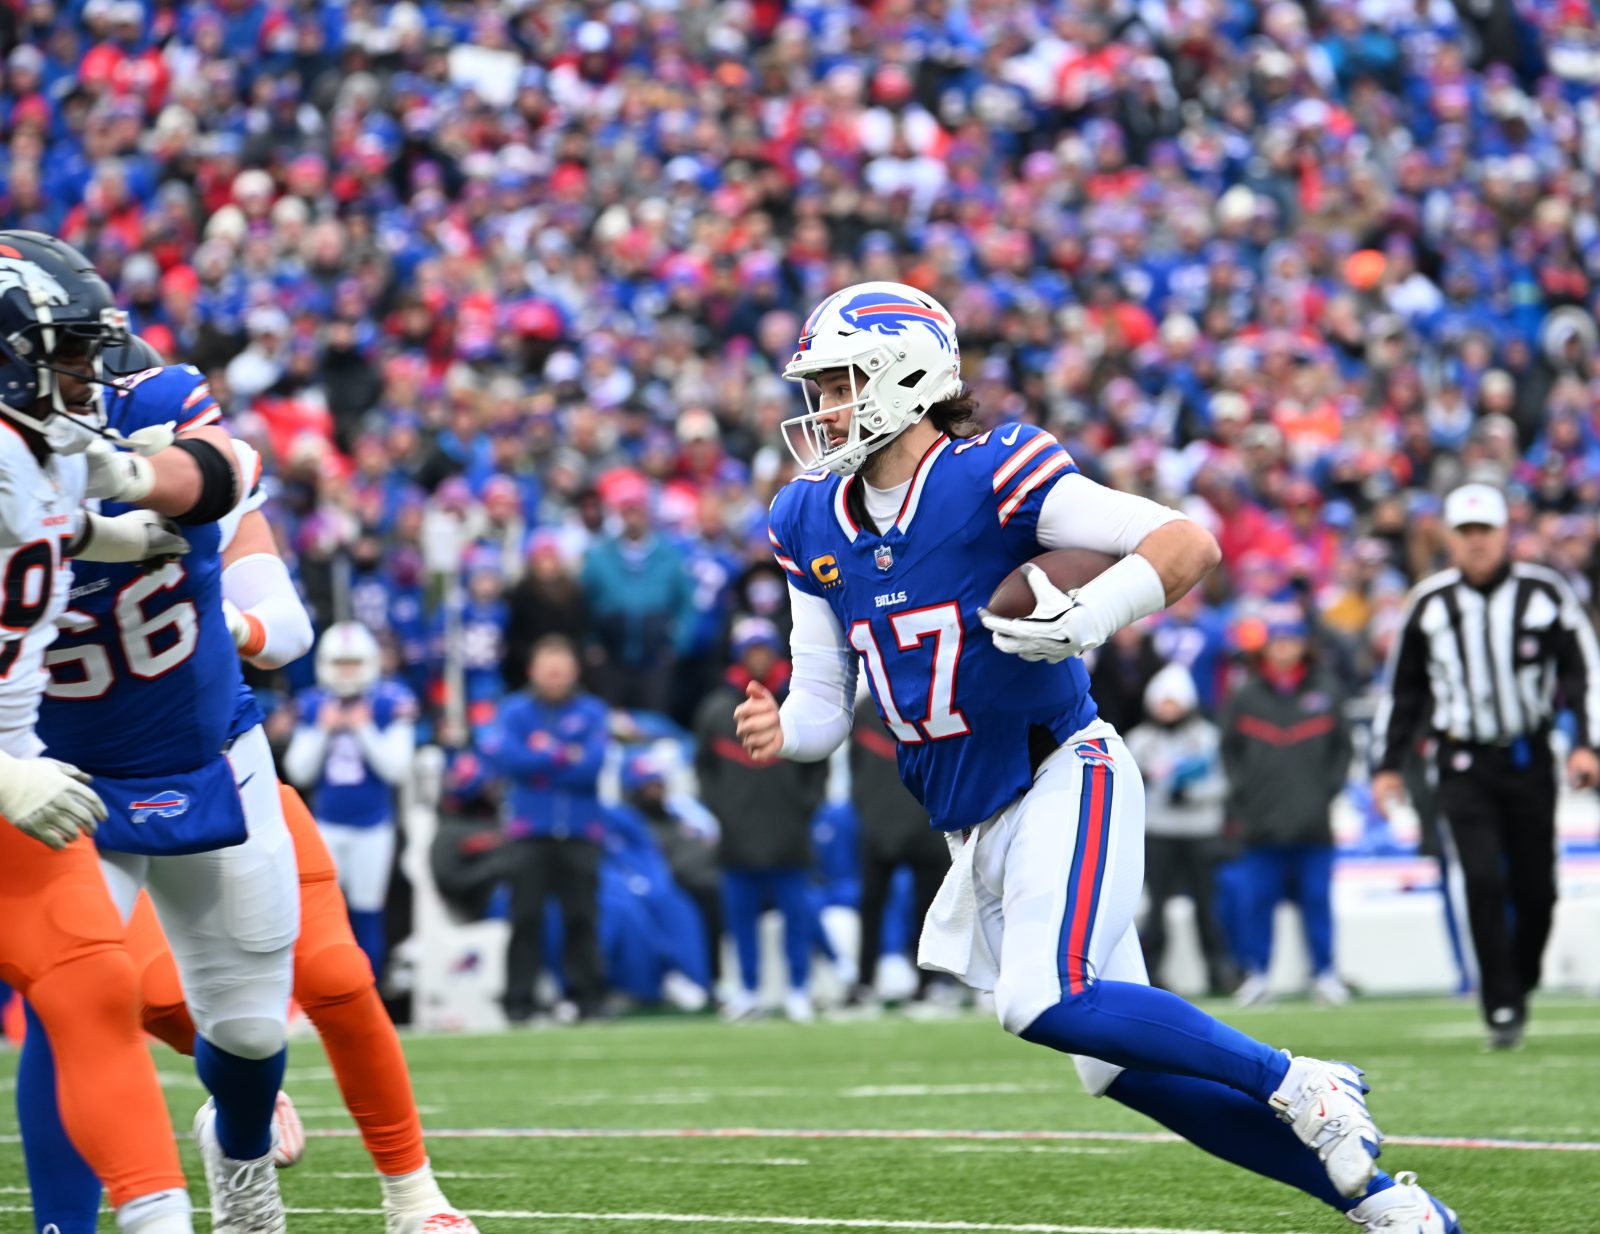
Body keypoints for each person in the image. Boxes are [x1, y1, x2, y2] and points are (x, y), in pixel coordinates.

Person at [735, 281, 1462, 1233]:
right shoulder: (808, 518)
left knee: (1045, 999)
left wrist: (1088, 615)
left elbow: (1184, 542)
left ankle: (1300, 1079)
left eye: (839, 383)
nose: (823, 409)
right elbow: (826, 701)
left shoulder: (989, 470)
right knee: (1116, 1068)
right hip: (973, 815)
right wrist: (784, 731)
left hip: (1060, 772)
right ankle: (1384, 1204)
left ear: (906, 375)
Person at [30, 338, 479, 1234]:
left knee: (256, 1027)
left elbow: (274, 604)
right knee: (74, 996)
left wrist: (199, 592)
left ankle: (253, 1178)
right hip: (56, 770)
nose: (87, 380)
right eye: (67, 358)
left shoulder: (161, 420)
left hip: (206, 752)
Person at [0, 231, 205, 1234]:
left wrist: (115, 534)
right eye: (68, 351)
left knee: (93, 990)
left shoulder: (36, 447)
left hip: (19, 801)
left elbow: (49, 527)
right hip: (11, 785)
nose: (88, 374)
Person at [1372, 481, 1600, 1050]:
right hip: (1461, 759)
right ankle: (1499, 1002)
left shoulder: (1545, 593)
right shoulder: (1429, 603)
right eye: (1466, 532)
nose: (1476, 543)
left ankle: (1518, 980)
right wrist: (1388, 764)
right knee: (1480, 877)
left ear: (1505, 534)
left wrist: (1587, 744)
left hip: (1527, 756)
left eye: (1486, 531)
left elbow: (1583, 673)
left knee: (1537, 888)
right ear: (1450, 537)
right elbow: (1403, 689)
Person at [1220, 606, 1354, 1008]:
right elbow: (1229, 752)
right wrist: (1247, 794)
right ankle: (1257, 974)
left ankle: (1325, 973)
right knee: (1257, 902)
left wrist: (1324, 792)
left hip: (1313, 820)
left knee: (1317, 899)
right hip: (1261, 821)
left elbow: (1342, 750)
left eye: (1291, 640)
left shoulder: (1325, 690)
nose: (1284, 649)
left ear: (1303, 645)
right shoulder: (1245, 695)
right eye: (1277, 641)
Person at [697, 616, 828, 1023]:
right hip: (738, 836)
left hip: (788, 832)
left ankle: (798, 989)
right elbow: (705, 771)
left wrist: (801, 807)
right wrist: (725, 811)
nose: (757, 658)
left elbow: (817, 766)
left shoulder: (794, 703)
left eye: (763, 649)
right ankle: (748, 990)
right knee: (740, 920)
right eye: (750, 650)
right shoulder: (717, 709)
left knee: (797, 917)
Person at [486, 634, 610, 1023]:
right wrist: (562, 754)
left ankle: (589, 998)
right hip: (530, 830)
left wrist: (542, 754)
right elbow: (510, 759)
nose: (555, 677)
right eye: (548, 670)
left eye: (562, 670)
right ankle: (518, 1002)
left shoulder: (592, 711)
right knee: (525, 917)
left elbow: (591, 765)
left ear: (574, 671)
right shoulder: (515, 711)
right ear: (532, 672)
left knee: (582, 917)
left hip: (580, 830)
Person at [285, 621, 419, 980]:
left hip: (374, 825)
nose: (346, 672)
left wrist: (363, 728)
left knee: (366, 913)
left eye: (354, 663)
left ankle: (369, 994)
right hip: (327, 823)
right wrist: (323, 731)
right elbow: (299, 770)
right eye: (340, 664)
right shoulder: (313, 703)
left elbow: (396, 769)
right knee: (320, 917)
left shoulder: (391, 700)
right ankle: (324, 993)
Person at [1123, 663, 1234, 997]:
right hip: (1158, 831)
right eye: (1162, 702)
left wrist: (1192, 794)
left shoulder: (1206, 737)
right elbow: (1126, 785)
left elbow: (1224, 783)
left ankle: (1219, 970)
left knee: (1207, 905)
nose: (1167, 709)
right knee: (1156, 907)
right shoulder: (1139, 740)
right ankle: (1151, 973)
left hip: (1200, 831)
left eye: (1174, 702)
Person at [848, 690, 950, 1004]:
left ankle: (930, 983)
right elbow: (857, 770)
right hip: (881, 828)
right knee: (872, 907)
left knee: (931, 909)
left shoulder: (938, 701)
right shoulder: (867, 709)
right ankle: (865, 982)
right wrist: (867, 812)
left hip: (927, 825)